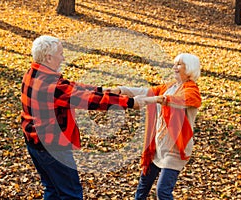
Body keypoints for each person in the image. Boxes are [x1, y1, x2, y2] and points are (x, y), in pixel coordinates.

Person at [20, 35, 163, 200]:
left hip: (35, 143)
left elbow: (73, 87)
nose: (63, 57)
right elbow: (89, 100)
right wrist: (130, 102)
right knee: (71, 194)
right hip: (52, 148)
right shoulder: (50, 86)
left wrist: (103, 89)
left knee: (52, 189)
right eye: (60, 53)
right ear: (48, 57)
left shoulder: (34, 73)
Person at [111, 53, 201, 199]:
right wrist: (121, 90)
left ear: (189, 68)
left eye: (179, 64)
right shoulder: (170, 86)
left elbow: (181, 100)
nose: (174, 67)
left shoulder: (192, 91)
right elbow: (145, 91)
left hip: (175, 150)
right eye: (174, 64)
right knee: (142, 188)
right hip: (157, 147)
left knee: (163, 192)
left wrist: (157, 99)